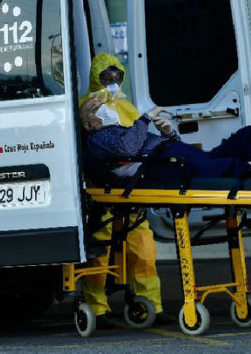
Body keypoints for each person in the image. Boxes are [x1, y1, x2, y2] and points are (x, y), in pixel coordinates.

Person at [78, 53, 171, 328]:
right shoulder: (88, 107)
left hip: (130, 188)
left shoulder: (128, 107)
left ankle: (150, 304)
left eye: (117, 77)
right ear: (97, 77)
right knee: (100, 250)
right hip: (103, 189)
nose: (113, 81)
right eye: (107, 77)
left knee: (143, 247)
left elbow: (137, 142)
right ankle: (96, 308)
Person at [79, 97, 251, 183]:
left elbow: (138, 143)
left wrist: (168, 134)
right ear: (88, 124)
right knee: (231, 165)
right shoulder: (97, 138)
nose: (105, 107)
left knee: (250, 133)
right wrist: (146, 117)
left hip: (173, 154)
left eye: (102, 103)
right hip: (163, 165)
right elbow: (127, 149)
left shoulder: (117, 130)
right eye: (96, 108)